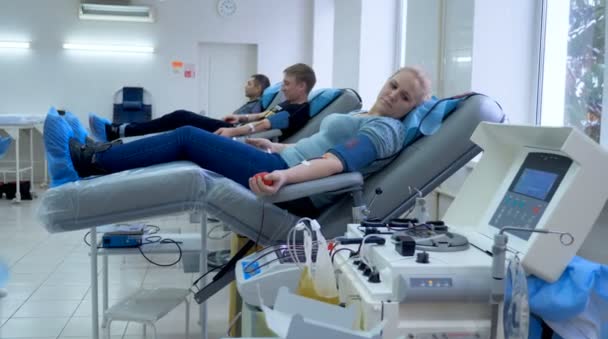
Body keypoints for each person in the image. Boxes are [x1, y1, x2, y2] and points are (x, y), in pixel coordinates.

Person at [45, 66, 431, 215]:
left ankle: (88, 162)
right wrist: (273, 146)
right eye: (394, 85)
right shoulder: (367, 115)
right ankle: (99, 152)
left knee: (187, 136)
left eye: (406, 97)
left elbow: (337, 162)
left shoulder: (385, 131)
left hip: (294, 184)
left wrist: (285, 175)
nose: (394, 95)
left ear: (411, 107)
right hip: (281, 160)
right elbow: (312, 149)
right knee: (188, 135)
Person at [89, 64, 314, 142]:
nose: (283, 87)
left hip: (239, 137)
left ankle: (118, 132)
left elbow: (265, 126)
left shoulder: (297, 110)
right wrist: (241, 117)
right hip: (237, 129)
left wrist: (234, 129)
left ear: (302, 86)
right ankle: (117, 133)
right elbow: (262, 117)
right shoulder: (286, 104)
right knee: (181, 121)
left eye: (287, 84)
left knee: (181, 119)